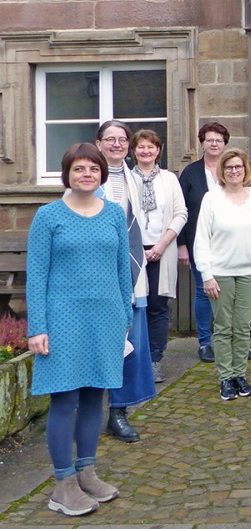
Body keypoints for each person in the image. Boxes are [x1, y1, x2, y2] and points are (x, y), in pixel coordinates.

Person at [27, 143, 131, 516]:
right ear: (66, 174)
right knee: (64, 399)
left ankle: (86, 471)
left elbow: (123, 270)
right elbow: (36, 275)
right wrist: (37, 327)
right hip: (61, 319)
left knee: (94, 397)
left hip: (105, 318)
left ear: (102, 174)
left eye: (93, 169)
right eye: (79, 169)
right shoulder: (48, 215)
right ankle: (63, 484)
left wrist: (125, 318)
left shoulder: (114, 214)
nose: (86, 174)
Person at [94, 121, 157, 442]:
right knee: (97, 345)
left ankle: (118, 413)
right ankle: (89, 411)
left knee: (130, 344)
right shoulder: (87, 178)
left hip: (131, 275)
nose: (117, 144)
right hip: (96, 278)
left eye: (122, 140)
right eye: (111, 139)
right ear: (99, 143)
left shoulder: (135, 179)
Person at [194, 148, 251, 401]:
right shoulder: (212, 199)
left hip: (248, 271)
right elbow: (202, 239)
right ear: (222, 172)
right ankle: (225, 377)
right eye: (229, 167)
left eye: (238, 166)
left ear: (245, 169)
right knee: (223, 327)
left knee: (243, 326)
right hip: (221, 273)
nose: (234, 171)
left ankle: (240, 374)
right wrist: (207, 274)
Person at [130, 129, 188, 383]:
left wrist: (162, 246)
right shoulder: (125, 179)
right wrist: (136, 249)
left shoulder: (169, 179)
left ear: (158, 151)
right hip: (132, 251)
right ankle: (133, 360)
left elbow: (180, 213)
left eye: (150, 147)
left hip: (161, 250)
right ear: (133, 151)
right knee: (133, 306)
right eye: (141, 147)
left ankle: (154, 360)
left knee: (157, 307)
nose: (146, 151)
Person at [178, 122, 230, 363]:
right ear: (202, 143)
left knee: (229, 292)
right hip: (199, 241)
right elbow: (180, 210)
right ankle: (205, 343)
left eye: (218, 140)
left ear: (225, 144)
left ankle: (231, 342)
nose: (214, 143)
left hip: (228, 241)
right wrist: (182, 245)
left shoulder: (232, 169)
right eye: (209, 139)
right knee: (203, 291)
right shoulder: (190, 172)